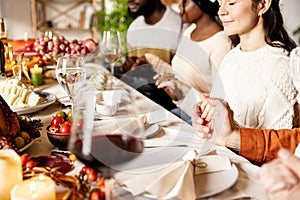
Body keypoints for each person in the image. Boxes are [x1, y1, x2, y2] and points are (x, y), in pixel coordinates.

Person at [209, 0, 298, 129]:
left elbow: (277, 144)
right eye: (219, 3)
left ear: (263, 4)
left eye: (231, 3)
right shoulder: (230, 58)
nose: (221, 12)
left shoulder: (281, 67)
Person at [152, 0, 234, 120]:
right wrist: (171, 85)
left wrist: (180, 93)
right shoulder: (189, 32)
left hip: (203, 119)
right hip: (181, 107)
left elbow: (222, 99)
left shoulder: (221, 44)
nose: (180, 6)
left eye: (185, 1)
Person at [121, 0, 185, 111]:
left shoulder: (180, 26)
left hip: (172, 107)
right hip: (141, 102)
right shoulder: (134, 27)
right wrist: (129, 67)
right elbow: (132, 72)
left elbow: (186, 80)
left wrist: (153, 70)